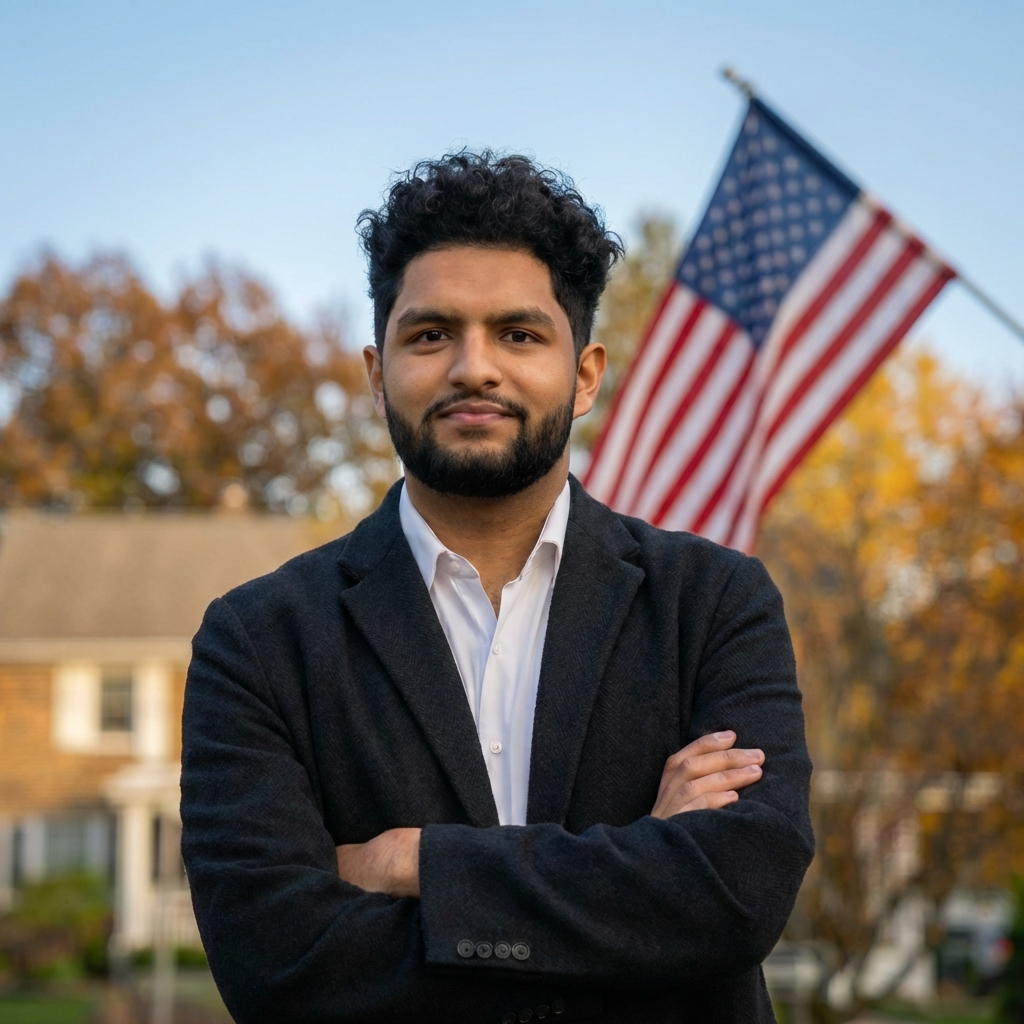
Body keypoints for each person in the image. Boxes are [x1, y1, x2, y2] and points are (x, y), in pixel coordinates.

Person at [180, 152, 814, 1024]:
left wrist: (418, 866)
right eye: (431, 333)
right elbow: (277, 966)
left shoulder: (713, 603)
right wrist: (640, 884)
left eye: (518, 334)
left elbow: (738, 894)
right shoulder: (258, 640)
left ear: (585, 373)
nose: (473, 368)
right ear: (376, 372)